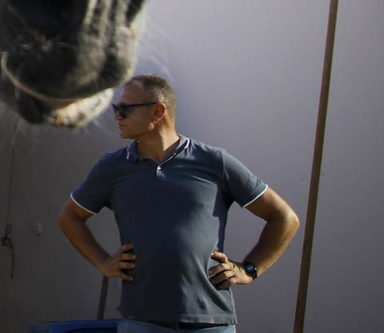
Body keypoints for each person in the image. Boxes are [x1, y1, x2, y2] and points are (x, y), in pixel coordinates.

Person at [57, 74, 301, 332]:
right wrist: (102, 262)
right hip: (142, 321)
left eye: (124, 109)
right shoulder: (112, 168)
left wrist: (250, 269)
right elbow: (69, 217)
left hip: (210, 322)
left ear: (157, 111)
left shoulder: (214, 162)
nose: (116, 116)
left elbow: (285, 218)